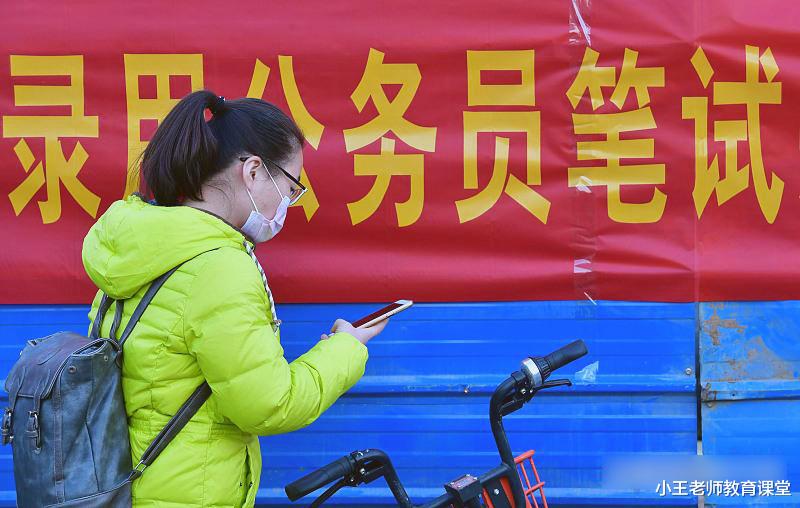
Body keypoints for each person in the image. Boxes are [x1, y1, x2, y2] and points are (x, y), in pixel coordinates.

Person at [81, 89, 387, 507]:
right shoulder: (219, 267)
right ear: (254, 171)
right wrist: (346, 349)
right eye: (291, 187)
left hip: (127, 485)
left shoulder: (140, 245)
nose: (288, 203)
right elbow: (269, 404)